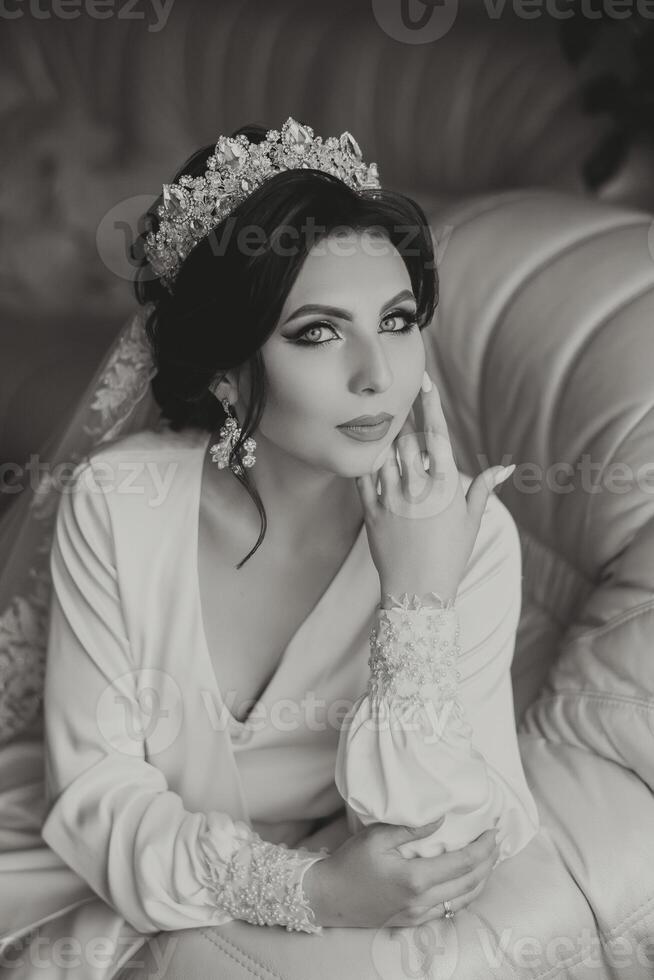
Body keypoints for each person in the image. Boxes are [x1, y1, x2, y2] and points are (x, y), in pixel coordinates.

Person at [0, 117, 539, 979]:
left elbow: (436, 843)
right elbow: (99, 797)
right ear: (225, 366)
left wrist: (416, 601)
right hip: (96, 878)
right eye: (319, 332)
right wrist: (312, 890)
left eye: (397, 320)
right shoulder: (120, 502)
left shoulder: (465, 540)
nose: (377, 374)